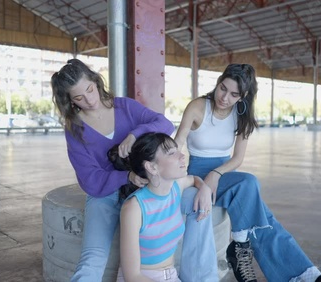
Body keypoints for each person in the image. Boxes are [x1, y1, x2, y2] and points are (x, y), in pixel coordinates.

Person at [174, 63, 321, 282]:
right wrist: (186, 178)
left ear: (244, 96)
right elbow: (178, 144)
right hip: (198, 173)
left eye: (233, 94)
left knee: (264, 219)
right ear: (218, 82)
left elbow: (237, 159)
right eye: (223, 88)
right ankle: (242, 248)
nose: (224, 98)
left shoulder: (242, 116)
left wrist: (216, 174)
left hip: (224, 176)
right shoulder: (198, 106)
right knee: (250, 185)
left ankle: (313, 278)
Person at [51, 58, 217, 282]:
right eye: (79, 97)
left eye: (90, 89)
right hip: (106, 194)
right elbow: (90, 180)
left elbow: (164, 124)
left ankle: (201, 278)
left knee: (198, 203)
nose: (89, 100)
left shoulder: (124, 106)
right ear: (70, 101)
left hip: (148, 187)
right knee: (93, 256)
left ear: (96, 82)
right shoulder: (75, 131)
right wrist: (126, 176)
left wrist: (134, 134)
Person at [108, 132, 213, 282]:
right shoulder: (134, 208)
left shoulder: (176, 187)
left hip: (171, 275)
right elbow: (132, 276)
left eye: (177, 150)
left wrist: (204, 188)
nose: (182, 155)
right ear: (152, 167)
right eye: (172, 153)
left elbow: (194, 179)